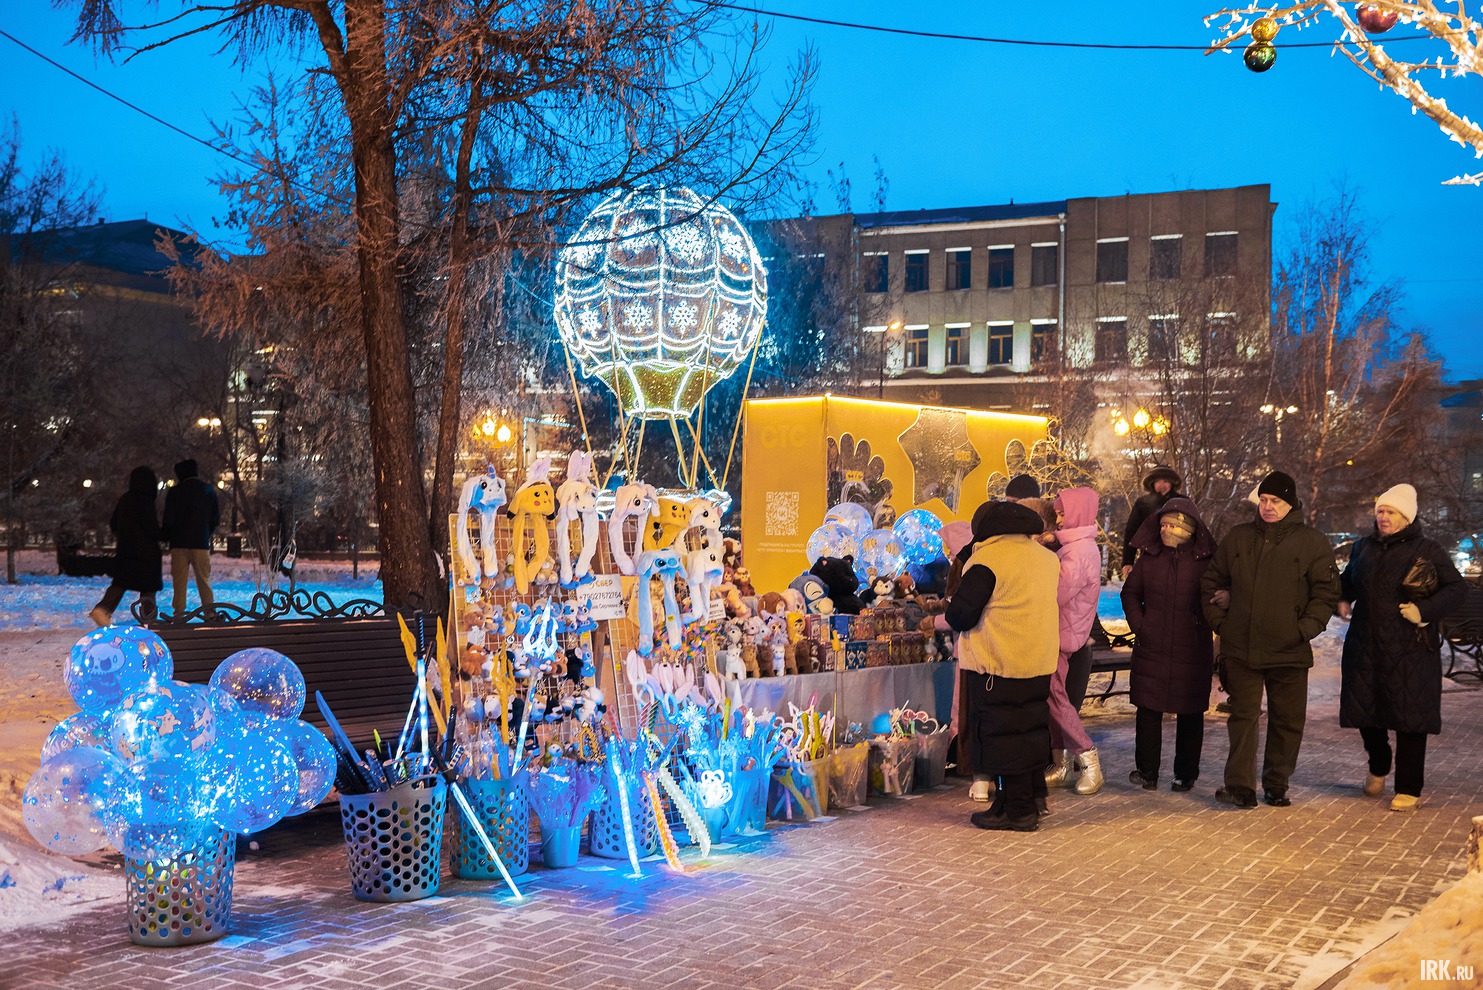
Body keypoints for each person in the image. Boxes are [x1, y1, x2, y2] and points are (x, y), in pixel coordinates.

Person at [1202, 470, 1340, 809]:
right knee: (1243, 717)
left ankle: (1277, 783)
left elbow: (1325, 594)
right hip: (1242, 645)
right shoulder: (1238, 537)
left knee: (1288, 720)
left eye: (1274, 501)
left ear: (1289, 503)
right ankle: (1240, 787)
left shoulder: (1312, 542)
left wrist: (1303, 629)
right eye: (1263, 500)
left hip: (1289, 647)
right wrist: (1223, 623)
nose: (1267, 506)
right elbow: (1209, 582)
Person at [1338, 484, 1466, 811]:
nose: (1383, 516)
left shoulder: (1428, 549)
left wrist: (1424, 611)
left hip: (1410, 648)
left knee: (1409, 718)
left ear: (1406, 516)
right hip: (1366, 645)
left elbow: (1456, 589)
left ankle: (1409, 787)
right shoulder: (1362, 548)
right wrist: (1341, 598)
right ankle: (1379, 764)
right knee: (1365, 711)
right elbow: (1348, 582)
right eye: (1380, 510)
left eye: (1390, 512)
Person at [936, 500, 1060, 832]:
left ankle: (1018, 811)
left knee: (1004, 737)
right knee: (1029, 730)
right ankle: (1029, 798)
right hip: (1038, 660)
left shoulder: (988, 560)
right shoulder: (1046, 558)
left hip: (999, 662)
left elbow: (960, 614)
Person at [1122, 497, 1217, 792]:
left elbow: (1217, 597)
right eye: (1162, 524)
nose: (1165, 530)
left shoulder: (1206, 562)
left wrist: (1208, 623)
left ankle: (1185, 774)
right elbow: (1129, 594)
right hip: (1153, 646)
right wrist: (1141, 625)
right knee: (1148, 709)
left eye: (1171, 524)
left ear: (1187, 528)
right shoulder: (1149, 558)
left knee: (1190, 711)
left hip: (1193, 646)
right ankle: (1147, 771)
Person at [1042, 487, 1105, 797]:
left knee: (1056, 698)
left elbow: (1056, 593)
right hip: (1062, 631)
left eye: (1064, 513)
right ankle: (1062, 763)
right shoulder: (1077, 546)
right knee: (1052, 697)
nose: (1059, 519)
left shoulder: (1078, 552)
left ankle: (1088, 759)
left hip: (1061, 633)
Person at [88, 466, 163, 626]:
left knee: (121, 583)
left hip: (126, 550)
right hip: (147, 553)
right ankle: (148, 620)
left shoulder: (125, 499)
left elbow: (114, 523)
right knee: (148, 589)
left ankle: (103, 608)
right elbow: (152, 528)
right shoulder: (146, 501)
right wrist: (163, 535)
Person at [162, 458, 221, 619]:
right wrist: (205, 533)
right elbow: (215, 518)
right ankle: (209, 611)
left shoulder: (175, 492)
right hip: (200, 542)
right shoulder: (207, 490)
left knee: (179, 581)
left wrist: (167, 536)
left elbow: (168, 519)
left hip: (179, 543)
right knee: (203, 579)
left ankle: (179, 612)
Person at [1121, 464, 1182, 579]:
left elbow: (1195, 531)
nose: (1162, 485)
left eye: (1165, 481)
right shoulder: (1143, 504)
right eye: (1158, 481)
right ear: (1152, 484)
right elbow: (1132, 532)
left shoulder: (1183, 503)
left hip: (1178, 560)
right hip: (1150, 559)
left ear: (1172, 483)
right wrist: (1128, 561)